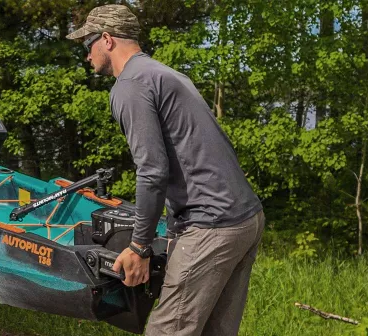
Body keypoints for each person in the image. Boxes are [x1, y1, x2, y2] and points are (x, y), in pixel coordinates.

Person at [67, 5, 265, 335]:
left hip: (211, 225)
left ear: (107, 40)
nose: (86, 55)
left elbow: (152, 171)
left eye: (87, 45)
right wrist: (173, 232)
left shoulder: (130, 85)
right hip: (246, 218)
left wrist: (139, 247)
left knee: (166, 330)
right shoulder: (165, 74)